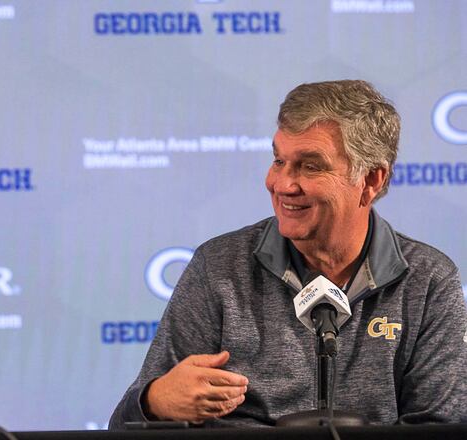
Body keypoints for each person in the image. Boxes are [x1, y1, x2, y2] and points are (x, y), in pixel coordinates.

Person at [109, 80, 467, 428]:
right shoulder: (218, 268)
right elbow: (125, 426)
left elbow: (440, 427)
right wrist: (155, 403)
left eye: (311, 166)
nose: (282, 184)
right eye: (279, 161)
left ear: (371, 180)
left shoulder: (428, 281)